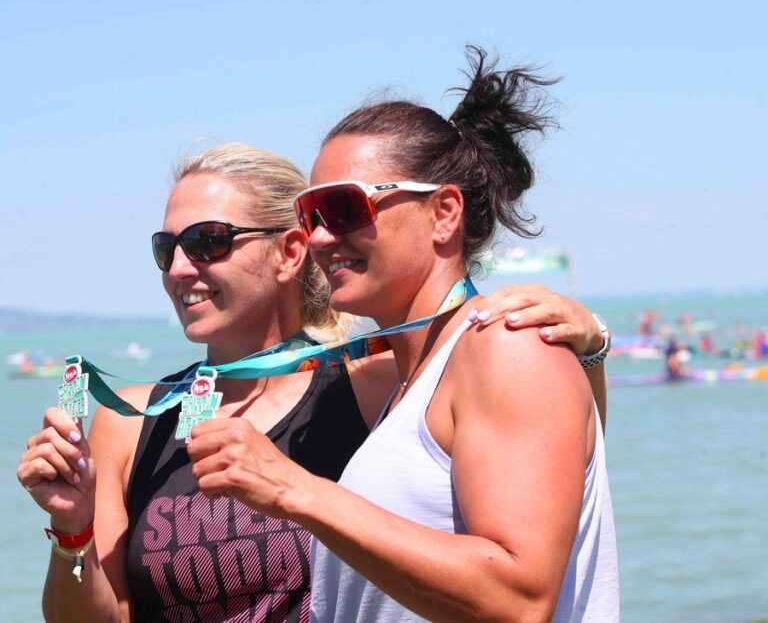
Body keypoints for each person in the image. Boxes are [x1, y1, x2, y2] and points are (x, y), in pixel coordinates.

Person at [18, 144, 609, 622]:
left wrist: (587, 350)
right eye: (165, 248)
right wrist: (72, 531)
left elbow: (551, 472)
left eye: (207, 242)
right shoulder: (130, 422)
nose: (178, 269)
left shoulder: (374, 384)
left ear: (291, 252)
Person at [187, 48, 618, 621]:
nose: (320, 238)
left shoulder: (505, 346)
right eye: (310, 216)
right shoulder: (413, 378)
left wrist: (295, 491)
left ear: (444, 213)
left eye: (344, 208)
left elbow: (519, 599)